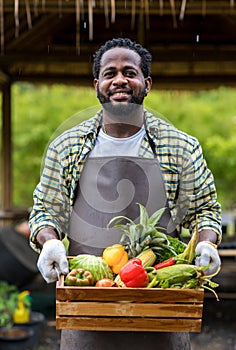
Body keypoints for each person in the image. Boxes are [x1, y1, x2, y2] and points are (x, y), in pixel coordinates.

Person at [29, 37, 222, 350]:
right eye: (110, 73)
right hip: (87, 304)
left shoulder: (181, 147)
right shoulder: (65, 146)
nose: (119, 79)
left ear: (146, 84)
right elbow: (45, 210)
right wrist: (49, 240)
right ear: (97, 84)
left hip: (162, 306)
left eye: (129, 72)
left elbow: (205, 209)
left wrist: (207, 243)